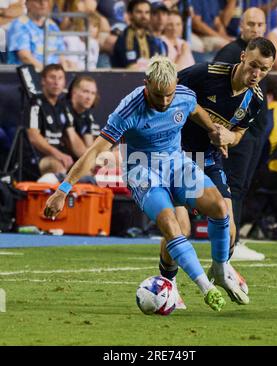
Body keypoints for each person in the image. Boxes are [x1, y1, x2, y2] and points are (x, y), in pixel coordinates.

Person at [44, 56, 251, 312]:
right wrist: (63, 190)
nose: (164, 102)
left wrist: (213, 132)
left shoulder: (183, 95)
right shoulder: (127, 110)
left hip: (177, 163)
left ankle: (220, 268)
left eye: (169, 95)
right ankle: (205, 288)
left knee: (220, 207)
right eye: (158, 95)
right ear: (146, 84)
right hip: (142, 170)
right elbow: (94, 152)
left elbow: (195, 110)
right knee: (173, 226)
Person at [167, 37, 275, 304]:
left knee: (229, 227)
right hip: (176, 153)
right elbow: (167, 92)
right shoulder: (206, 73)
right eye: (253, 66)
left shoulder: (255, 100)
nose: (256, 74)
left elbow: (238, 134)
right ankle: (168, 284)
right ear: (242, 57)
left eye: (264, 69)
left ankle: (220, 269)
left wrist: (229, 138)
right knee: (180, 226)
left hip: (209, 158)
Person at [213, 8, 267, 261]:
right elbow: (216, 93)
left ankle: (233, 240)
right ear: (241, 26)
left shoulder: (264, 53)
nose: (255, 28)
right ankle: (229, 244)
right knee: (232, 186)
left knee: (241, 186)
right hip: (236, 133)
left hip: (253, 131)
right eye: (251, 24)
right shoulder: (230, 53)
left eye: (260, 24)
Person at [25, 64, 87, 180]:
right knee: (58, 166)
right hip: (40, 157)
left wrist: (88, 159)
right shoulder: (34, 103)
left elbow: (73, 137)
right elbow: (33, 136)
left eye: (60, 78)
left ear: (64, 82)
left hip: (62, 156)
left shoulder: (63, 105)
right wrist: (58, 154)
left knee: (86, 170)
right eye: (52, 77)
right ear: (43, 81)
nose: (56, 82)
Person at [7, 0, 66, 71]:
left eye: (46, 1)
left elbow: (61, 56)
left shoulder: (52, 26)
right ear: (27, 4)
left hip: (51, 75)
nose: (43, 4)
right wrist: (46, 72)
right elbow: (25, 57)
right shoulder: (19, 24)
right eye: (38, 1)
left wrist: (65, 70)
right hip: (27, 74)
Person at [111, 0, 167, 70]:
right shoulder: (126, 38)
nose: (144, 16)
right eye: (139, 12)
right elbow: (132, 68)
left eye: (147, 12)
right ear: (130, 14)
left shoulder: (151, 37)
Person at [66, 75, 100, 148]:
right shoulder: (63, 108)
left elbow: (89, 146)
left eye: (93, 93)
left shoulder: (87, 114)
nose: (89, 97)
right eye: (85, 91)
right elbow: (73, 141)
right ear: (74, 92)